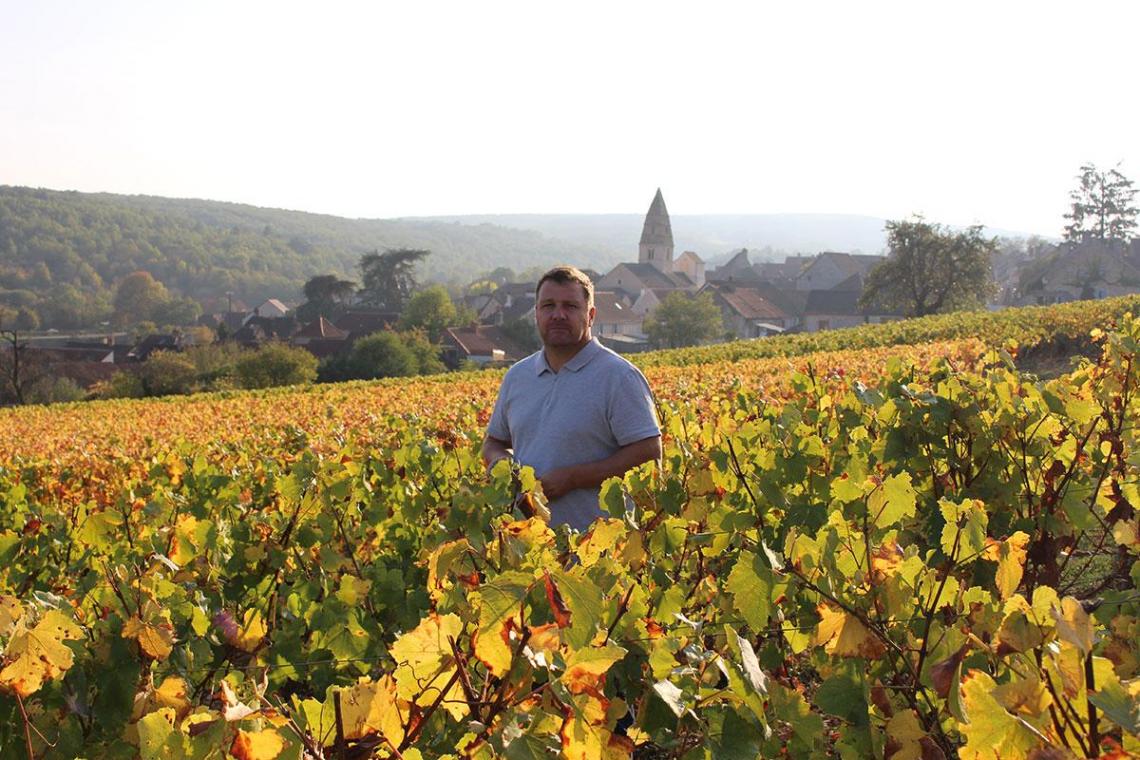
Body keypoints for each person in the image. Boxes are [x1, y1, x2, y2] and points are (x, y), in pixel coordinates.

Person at [482, 265, 662, 531]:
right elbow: (493, 443)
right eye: (549, 306)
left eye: (570, 306)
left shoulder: (619, 377)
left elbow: (649, 454)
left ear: (590, 316)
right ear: (536, 314)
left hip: (598, 555)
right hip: (528, 549)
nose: (558, 315)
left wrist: (574, 478)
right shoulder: (517, 377)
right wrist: (503, 465)